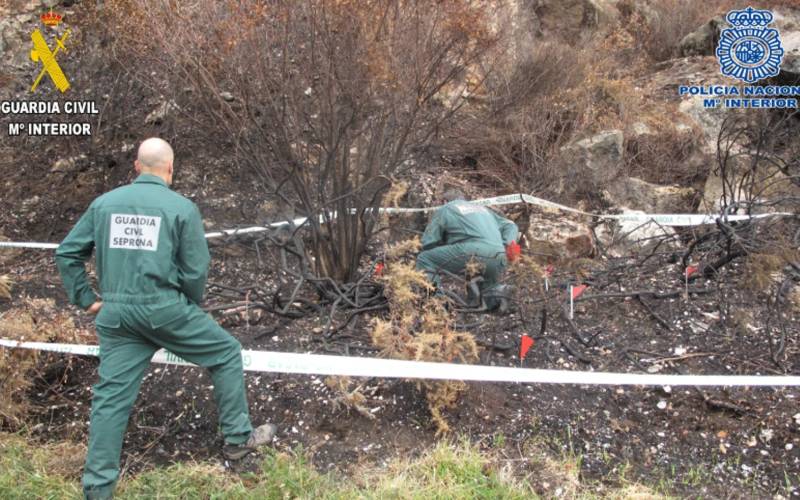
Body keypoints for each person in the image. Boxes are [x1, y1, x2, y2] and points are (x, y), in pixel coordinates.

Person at [55, 138, 276, 500]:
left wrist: (87, 300)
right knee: (224, 352)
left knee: (110, 399)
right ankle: (238, 441)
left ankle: (97, 489)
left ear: (136, 166)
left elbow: (67, 254)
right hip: (164, 309)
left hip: (116, 316)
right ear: (170, 169)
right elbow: (195, 269)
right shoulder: (181, 208)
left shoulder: (103, 205)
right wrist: (187, 305)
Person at [415, 189, 519, 311]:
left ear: (444, 201)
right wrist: (506, 244)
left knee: (424, 259)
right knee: (484, 297)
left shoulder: (447, 208)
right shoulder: (482, 209)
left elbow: (428, 242)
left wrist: (418, 251)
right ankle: (498, 294)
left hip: (472, 251)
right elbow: (511, 225)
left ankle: (436, 303)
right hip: (499, 255)